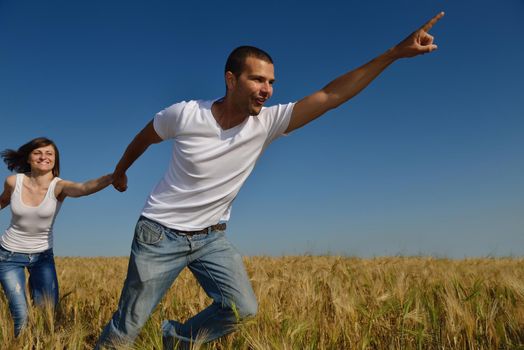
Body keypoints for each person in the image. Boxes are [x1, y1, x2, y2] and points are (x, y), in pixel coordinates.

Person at [97, 12, 445, 349]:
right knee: (127, 327)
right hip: (160, 233)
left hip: (211, 238)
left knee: (242, 309)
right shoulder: (185, 114)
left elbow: (331, 96)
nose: (267, 90)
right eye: (258, 80)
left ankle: (176, 340)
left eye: (271, 83)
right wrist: (121, 169)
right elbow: (144, 137)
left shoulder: (267, 123)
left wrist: (393, 54)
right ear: (231, 79)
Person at [0, 137, 112, 337]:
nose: (44, 157)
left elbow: (84, 188)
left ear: (55, 160)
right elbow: (2, 201)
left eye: (49, 153)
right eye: (38, 153)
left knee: (47, 313)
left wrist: (114, 176)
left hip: (42, 257)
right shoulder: (13, 182)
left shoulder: (58, 187)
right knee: (21, 315)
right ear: (28, 158)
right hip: (8, 256)